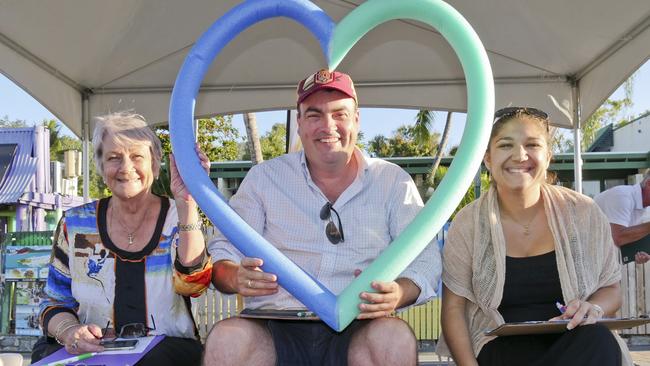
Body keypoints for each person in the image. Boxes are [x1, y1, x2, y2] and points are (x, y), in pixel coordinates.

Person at [203, 69, 441, 366]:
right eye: (314, 115)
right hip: (275, 324)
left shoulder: (392, 181)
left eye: (339, 114)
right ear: (300, 123)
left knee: (392, 339)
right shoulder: (265, 178)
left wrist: (399, 292)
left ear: (357, 120)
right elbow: (222, 253)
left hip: (360, 326)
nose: (328, 126)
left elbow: (427, 258)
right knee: (228, 340)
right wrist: (235, 276)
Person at [438, 107, 631, 366]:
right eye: (506, 145)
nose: (519, 155)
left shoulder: (583, 212)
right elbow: (453, 309)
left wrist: (593, 308)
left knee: (598, 339)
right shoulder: (468, 223)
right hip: (501, 350)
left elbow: (612, 290)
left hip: (575, 342)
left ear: (548, 156)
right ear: (488, 159)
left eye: (532, 144)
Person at [32, 111, 212, 365]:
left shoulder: (178, 217)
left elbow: (194, 285)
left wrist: (188, 203)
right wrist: (71, 331)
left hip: (167, 354)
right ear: (101, 166)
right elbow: (54, 302)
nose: (126, 168)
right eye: (114, 158)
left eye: (137, 156)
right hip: (93, 355)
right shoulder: (74, 224)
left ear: (155, 163)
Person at [594, 169, 650, 264]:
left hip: (602, 259)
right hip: (581, 252)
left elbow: (629, 239)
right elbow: (617, 237)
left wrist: (641, 253)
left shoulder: (646, 209)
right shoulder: (622, 196)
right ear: (649, 184)